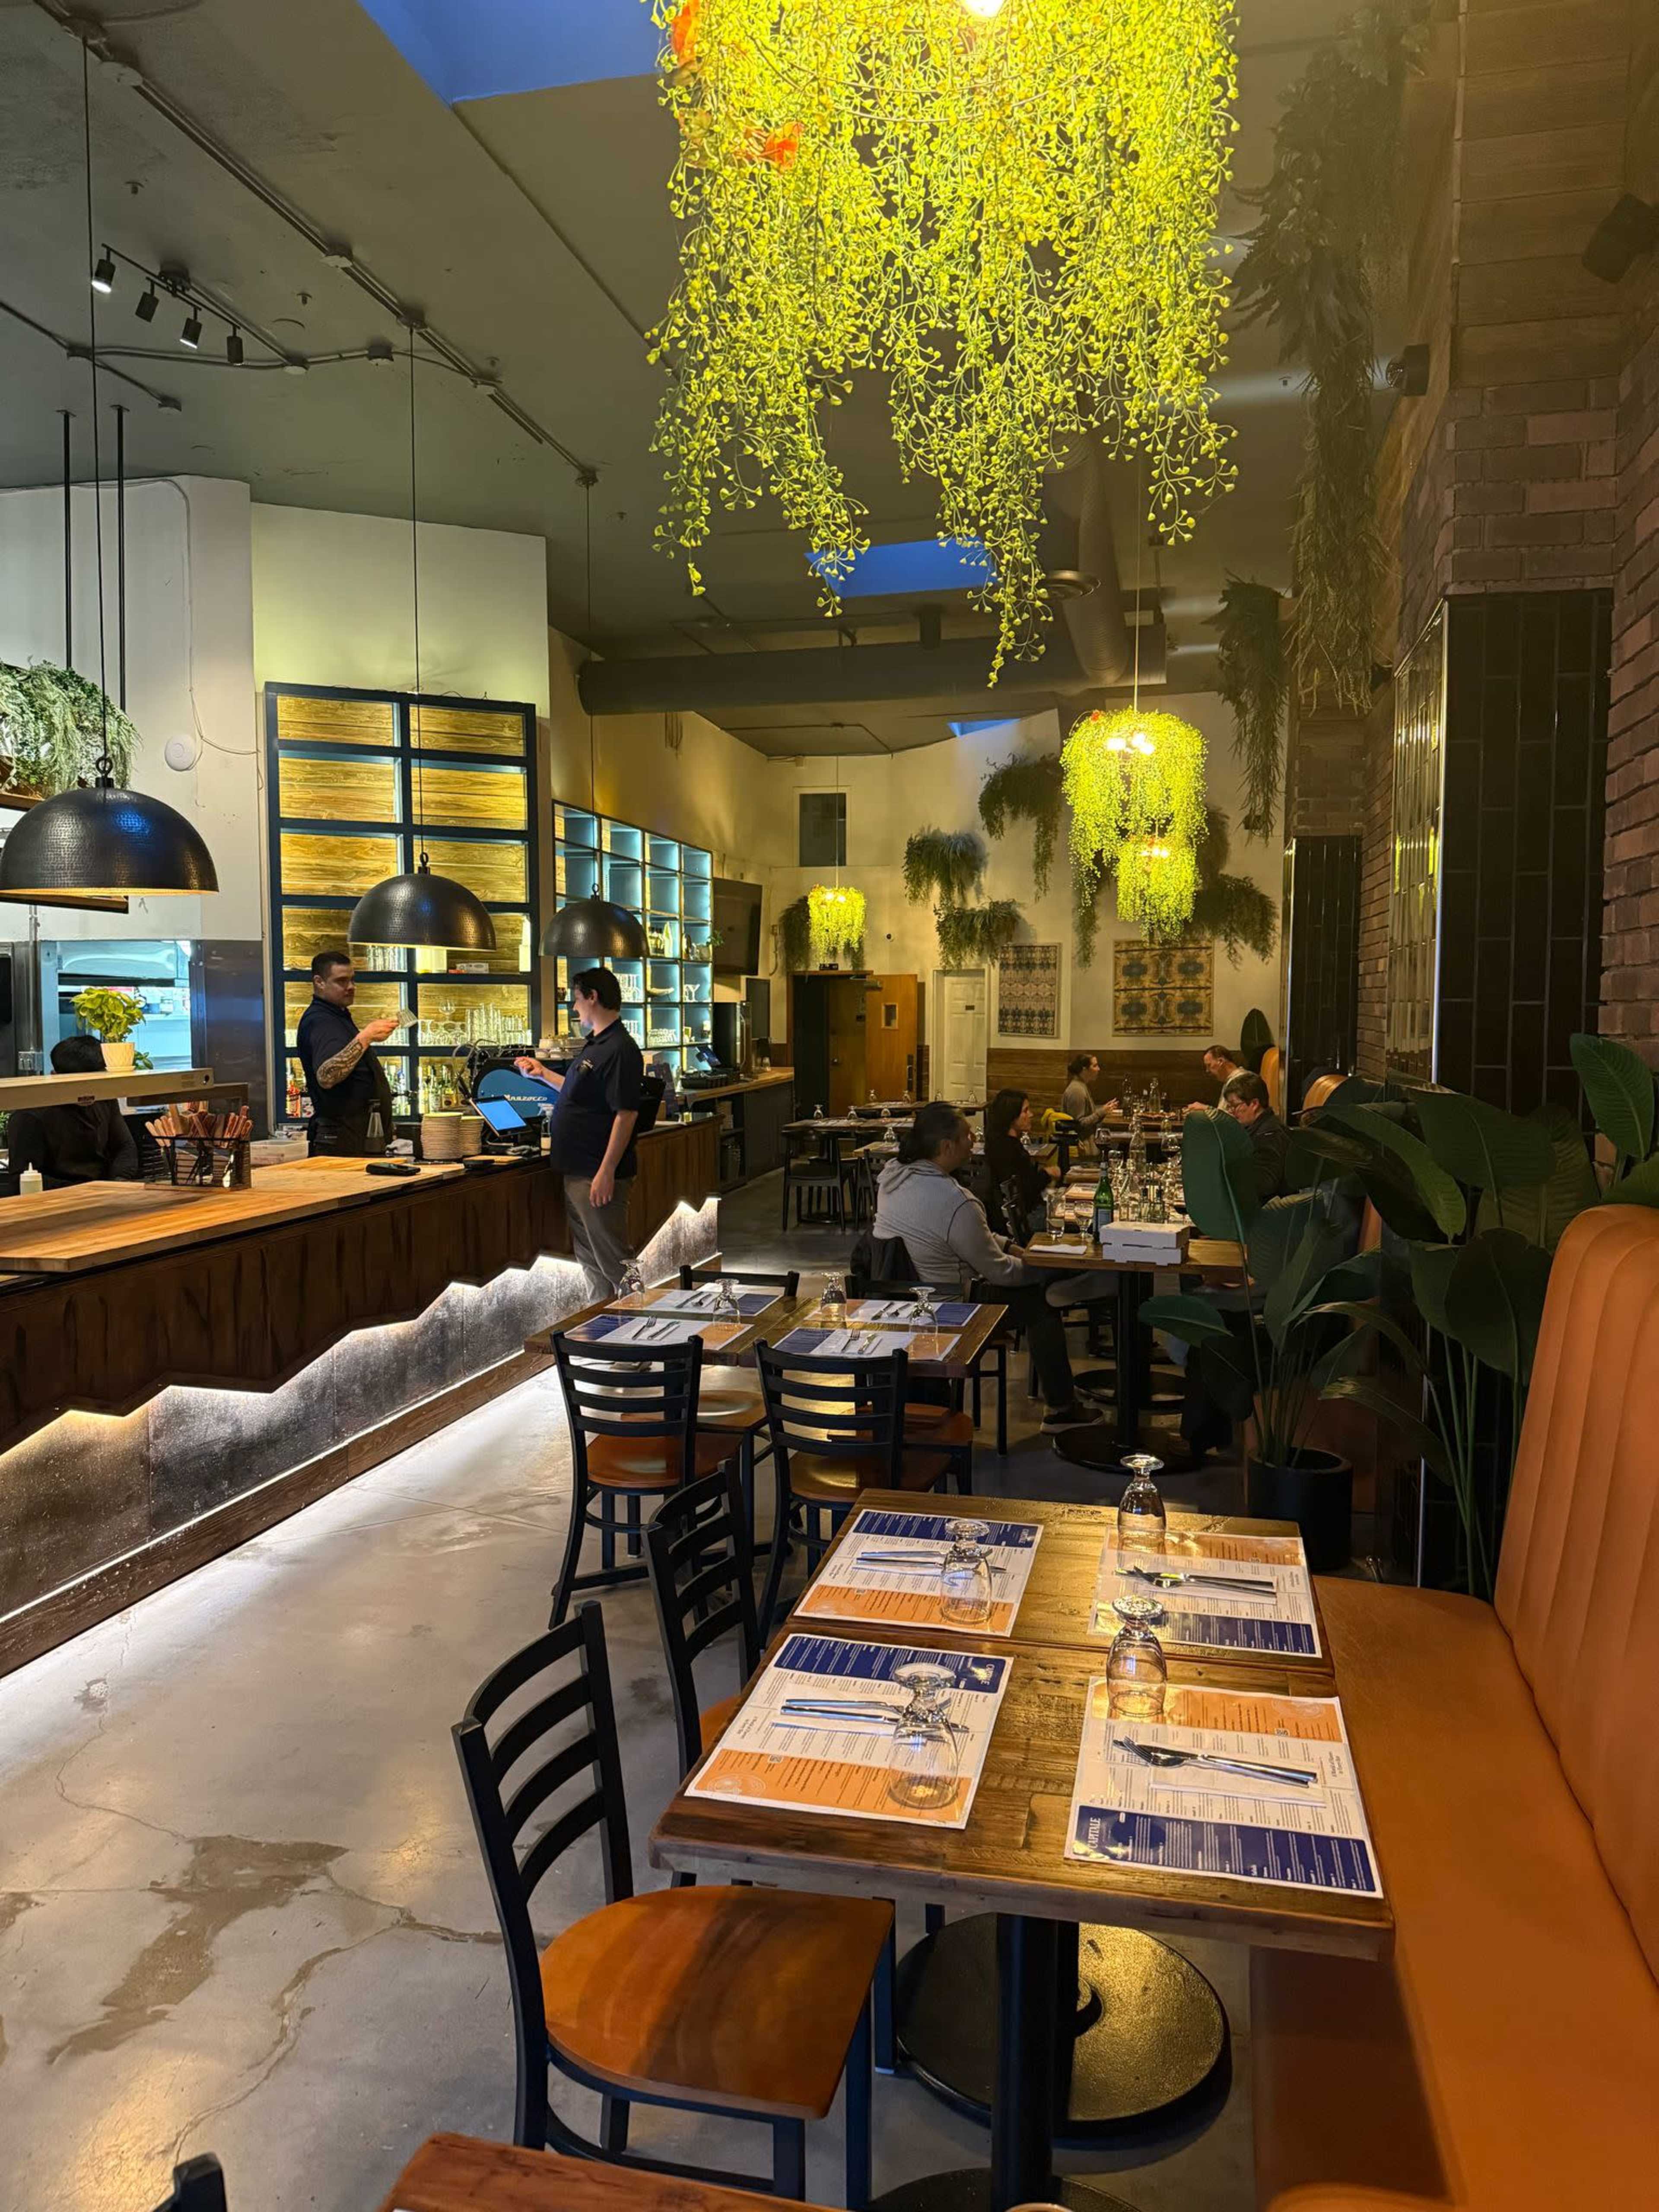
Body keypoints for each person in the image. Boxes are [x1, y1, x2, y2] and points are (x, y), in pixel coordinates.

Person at [873, 1101, 1099, 1431]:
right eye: (968, 1136)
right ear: (947, 1147)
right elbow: (1001, 1272)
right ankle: (1061, 1409)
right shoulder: (955, 1200)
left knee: (1039, 1288)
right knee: (1041, 1302)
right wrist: (1043, 1268)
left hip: (896, 1299)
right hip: (949, 1306)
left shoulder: (892, 1178)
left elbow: (971, 1234)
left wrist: (1012, 1247)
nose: (974, 1141)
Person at [515, 967, 643, 1299]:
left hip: (595, 1174)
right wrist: (542, 1074)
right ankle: (606, 1338)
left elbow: (626, 1114)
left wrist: (607, 1171)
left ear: (593, 998)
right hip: (578, 1171)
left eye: (577, 1000)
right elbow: (577, 1094)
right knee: (592, 1264)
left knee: (616, 1263)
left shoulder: (620, 1049)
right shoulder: (596, 1045)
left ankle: (647, 1339)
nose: (575, 1009)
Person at [2, 1035, 139, 1193]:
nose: (88, 1093)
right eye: (80, 1085)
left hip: (105, 1193)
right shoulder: (30, 1115)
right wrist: (89, 1191)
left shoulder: (104, 1099)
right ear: (55, 1076)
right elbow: (21, 1179)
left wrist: (118, 1183)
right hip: (56, 1201)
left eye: (94, 1083)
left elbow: (125, 1147)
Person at [296, 951, 400, 1156]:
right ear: (320, 982)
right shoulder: (321, 1021)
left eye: (352, 980)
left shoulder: (337, 1016)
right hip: (341, 1141)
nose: (351, 987)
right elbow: (327, 1076)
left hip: (357, 1138)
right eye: (342, 981)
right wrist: (366, 1037)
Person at [982, 1087, 1055, 1238]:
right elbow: (1026, 1193)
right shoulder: (1008, 1150)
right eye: (1026, 1111)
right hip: (1025, 1222)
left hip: (1021, 1218)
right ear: (1011, 1116)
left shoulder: (999, 1144)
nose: (1031, 1115)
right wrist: (1047, 1174)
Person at [1220, 1068, 1289, 1199]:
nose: (1231, 1112)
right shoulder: (1259, 1127)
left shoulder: (1269, 1135)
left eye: (1234, 1106)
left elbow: (1265, 1184)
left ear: (1254, 1104)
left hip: (1267, 1214)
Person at [1060, 1052, 1117, 1135]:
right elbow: (1079, 1125)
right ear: (1085, 1070)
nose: (1099, 1069)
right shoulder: (1077, 1090)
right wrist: (1101, 1112)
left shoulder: (1082, 1086)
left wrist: (1105, 1109)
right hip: (1081, 1145)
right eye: (1095, 1066)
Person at [1186, 1043, 1241, 1112]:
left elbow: (1231, 1119)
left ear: (1221, 1062)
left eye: (1209, 1065)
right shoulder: (1230, 1080)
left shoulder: (1240, 1081)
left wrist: (1206, 1108)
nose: (1207, 1071)